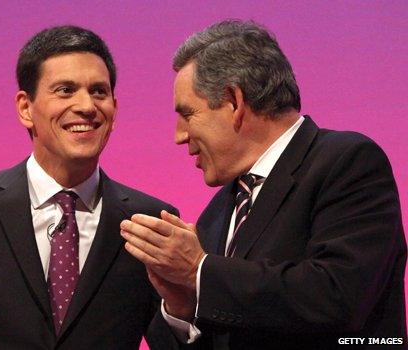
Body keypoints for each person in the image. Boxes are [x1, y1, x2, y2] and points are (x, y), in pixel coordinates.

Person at [121, 20, 407, 349]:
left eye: (187, 114)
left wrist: (200, 272)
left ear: (233, 101)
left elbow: (338, 296)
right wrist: (184, 307)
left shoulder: (347, 162)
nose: (179, 136)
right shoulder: (218, 212)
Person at [0, 25, 178, 349]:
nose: (87, 106)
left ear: (115, 108)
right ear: (26, 108)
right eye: (66, 90)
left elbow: (173, 343)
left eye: (99, 91)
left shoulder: (149, 221)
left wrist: (183, 303)